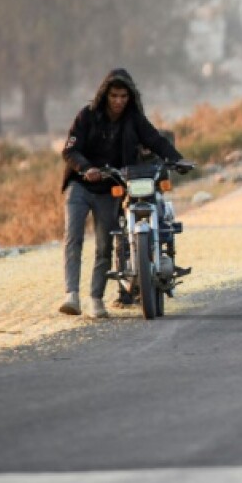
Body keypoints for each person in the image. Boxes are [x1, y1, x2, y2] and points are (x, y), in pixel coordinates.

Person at [59, 68, 187, 318]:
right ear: (104, 95)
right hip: (80, 185)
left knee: (105, 246)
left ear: (131, 97)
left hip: (111, 188)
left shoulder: (134, 119)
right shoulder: (87, 116)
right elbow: (69, 150)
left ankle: (96, 299)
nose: (119, 101)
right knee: (73, 238)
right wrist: (86, 168)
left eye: (124, 97)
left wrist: (178, 160)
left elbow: (155, 140)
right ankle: (71, 296)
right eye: (114, 96)